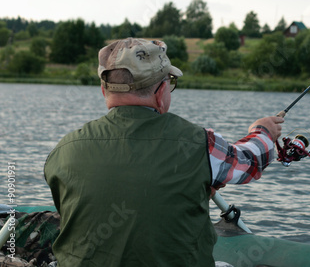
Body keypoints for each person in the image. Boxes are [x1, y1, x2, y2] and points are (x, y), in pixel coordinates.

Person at [44, 38, 284, 267]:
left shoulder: (63, 151)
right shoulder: (201, 144)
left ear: (103, 90)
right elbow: (250, 162)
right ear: (160, 92)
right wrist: (263, 131)